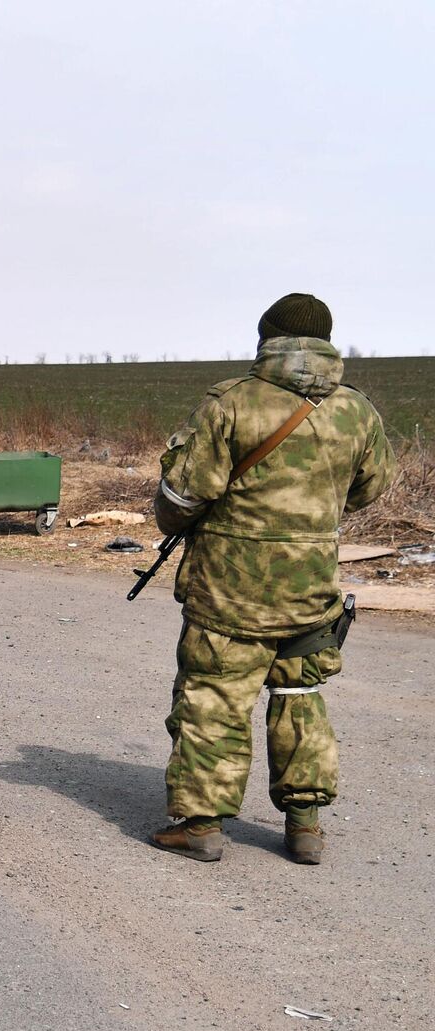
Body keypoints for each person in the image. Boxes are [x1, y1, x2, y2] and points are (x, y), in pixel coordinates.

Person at [149, 293, 395, 864]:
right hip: (311, 589)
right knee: (300, 695)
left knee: (214, 698)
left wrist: (185, 519)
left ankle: (203, 827)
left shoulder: (231, 403)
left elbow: (183, 494)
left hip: (229, 593)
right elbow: (368, 488)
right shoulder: (357, 411)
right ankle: (305, 827)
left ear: (267, 337)